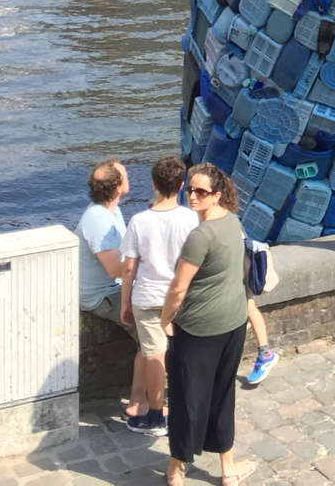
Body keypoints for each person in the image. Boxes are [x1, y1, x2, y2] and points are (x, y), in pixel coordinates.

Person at [160, 164, 250, 486]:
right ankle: (228, 469)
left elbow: (179, 288)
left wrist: (165, 318)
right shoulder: (234, 222)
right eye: (190, 189)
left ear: (217, 195)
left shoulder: (200, 236)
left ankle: (176, 467)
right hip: (235, 322)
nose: (193, 196)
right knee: (223, 394)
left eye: (201, 191)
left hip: (199, 330)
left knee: (187, 399)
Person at [119, 156, 197, 435]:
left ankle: (154, 415)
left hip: (148, 297)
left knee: (153, 355)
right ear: (181, 186)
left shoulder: (139, 221)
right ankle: (182, 406)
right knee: (182, 354)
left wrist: (124, 303)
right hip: (181, 297)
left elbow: (129, 268)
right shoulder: (191, 219)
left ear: (153, 184)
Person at [78, 159, 129, 324]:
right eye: (126, 176)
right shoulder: (98, 218)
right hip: (102, 296)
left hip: (115, 287)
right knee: (154, 322)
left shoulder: (113, 212)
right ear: (118, 188)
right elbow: (115, 269)